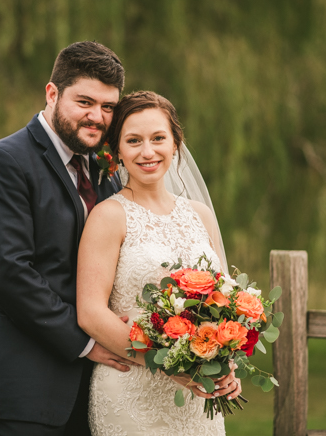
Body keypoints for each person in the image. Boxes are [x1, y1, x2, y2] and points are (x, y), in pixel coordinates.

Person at [0, 41, 134, 436]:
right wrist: (88, 342)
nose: (97, 117)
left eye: (108, 107)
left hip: (91, 389)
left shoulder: (104, 167)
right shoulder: (4, 162)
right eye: (85, 102)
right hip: (18, 386)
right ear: (52, 93)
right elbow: (10, 273)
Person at [77, 91, 239, 435]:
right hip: (132, 394)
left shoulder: (201, 215)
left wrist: (225, 368)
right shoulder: (108, 216)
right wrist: (169, 365)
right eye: (133, 140)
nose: (147, 152)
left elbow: (226, 303)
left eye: (158, 138)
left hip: (198, 400)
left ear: (176, 143)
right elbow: (90, 312)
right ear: (116, 151)